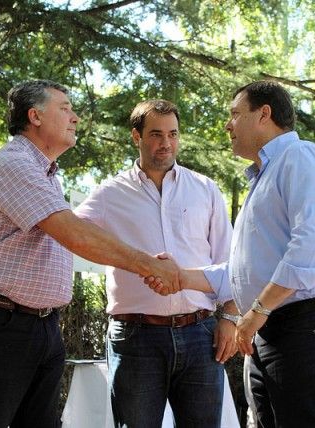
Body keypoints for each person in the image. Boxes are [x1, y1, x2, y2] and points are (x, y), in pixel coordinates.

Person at [0, 80, 180, 428]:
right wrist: (148, 265)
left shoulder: (48, 175)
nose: (75, 117)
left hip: (39, 326)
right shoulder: (14, 165)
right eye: (65, 108)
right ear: (35, 116)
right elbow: (76, 235)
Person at [150, 80, 315, 428]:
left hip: (306, 327)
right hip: (270, 328)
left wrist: (258, 311)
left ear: (264, 114)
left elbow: (310, 246)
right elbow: (243, 272)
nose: (227, 125)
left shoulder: (300, 156)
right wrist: (182, 277)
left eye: (235, 114)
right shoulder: (264, 176)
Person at [74, 99, 238, 427]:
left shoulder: (205, 189)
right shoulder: (109, 194)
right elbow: (73, 235)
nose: (166, 143)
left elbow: (229, 261)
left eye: (173, 134)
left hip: (200, 334)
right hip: (136, 338)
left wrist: (231, 317)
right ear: (136, 136)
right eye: (156, 134)